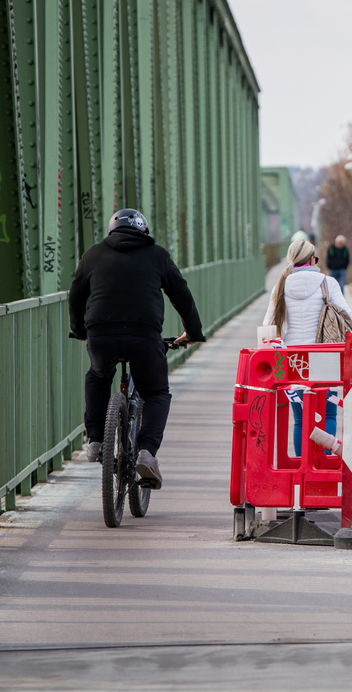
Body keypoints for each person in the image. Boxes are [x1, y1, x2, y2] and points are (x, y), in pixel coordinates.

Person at [68, 209, 205, 490]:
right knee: (156, 393)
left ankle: (95, 440)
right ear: (144, 232)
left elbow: (76, 294)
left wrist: (81, 331)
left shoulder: (93, 254)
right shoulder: (157, 255)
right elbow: (181, 294)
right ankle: (146, 452)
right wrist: (193, 332)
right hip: (144, 337)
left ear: (111, 231)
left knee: (98, 375)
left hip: (101, 335)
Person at [263, 238, 352, 456]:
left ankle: (303, 467)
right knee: (328, 415)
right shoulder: (327, 283)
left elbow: (268, 326)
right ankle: (323, 464)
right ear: (312, 258)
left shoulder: (281, 286)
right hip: (325, 359)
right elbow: (346, 317)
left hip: (294, 362)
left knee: (300, 419)